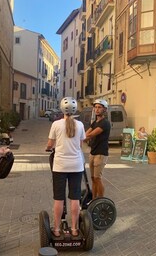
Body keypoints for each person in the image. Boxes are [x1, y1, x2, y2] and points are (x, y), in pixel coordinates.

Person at [46, 97, 85, 237]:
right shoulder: (80, 125)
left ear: (62, 109)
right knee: (75, 198)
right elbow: (80, 145)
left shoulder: (56, 124)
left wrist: (48, 147)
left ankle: (56, 229)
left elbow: (50, 144)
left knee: (58, 198)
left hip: (60, 167)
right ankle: (74, 228)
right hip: (76, 165)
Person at [85, 99, 110, 199]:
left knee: (97, 178)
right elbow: (86, 133)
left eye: (99, 107)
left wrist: (81, 138)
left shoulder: (105, 123)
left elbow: (90, 135)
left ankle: (101, 200)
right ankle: (94, 199)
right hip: (93, 152)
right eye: (95, 107)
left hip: (101, 154)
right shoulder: (95, 122)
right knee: (93, 178)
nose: (97, 109)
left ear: (104, 109)